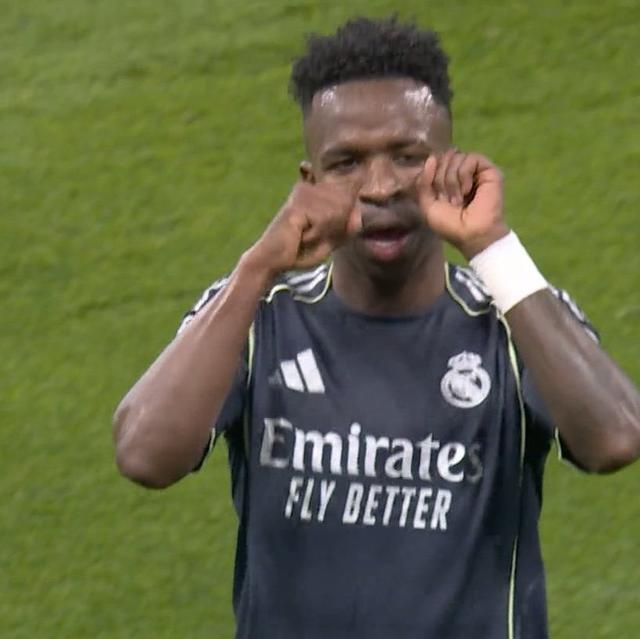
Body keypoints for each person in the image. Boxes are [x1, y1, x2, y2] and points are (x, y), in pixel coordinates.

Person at [113, 16, 640, 639]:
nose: (381, 186)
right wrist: (255, 269)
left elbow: (615, 439)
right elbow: (144, 455)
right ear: (309, 182)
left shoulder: (514, 316)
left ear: (448, 164)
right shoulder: (259, 315)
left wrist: (494, 249)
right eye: (346, 163)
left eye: (407, 156)